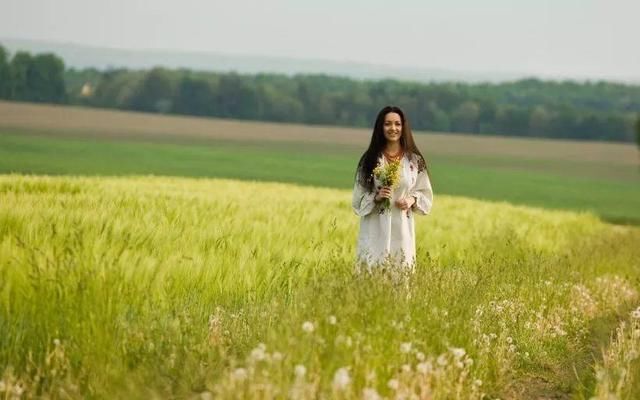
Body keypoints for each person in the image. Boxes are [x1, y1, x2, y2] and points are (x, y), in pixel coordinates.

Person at [352, 105, 433, 273]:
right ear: (380, 127)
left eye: (397, 124)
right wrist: (376, 196)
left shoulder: (414, 161)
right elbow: (357, 201)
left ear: (403, 127)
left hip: (402, 230)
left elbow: (426, 194)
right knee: (371, 281)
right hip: (374, 229)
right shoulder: (369, 160)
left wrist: (411, 200)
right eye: (387, 124)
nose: (393, 128)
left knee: (400, 277)